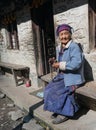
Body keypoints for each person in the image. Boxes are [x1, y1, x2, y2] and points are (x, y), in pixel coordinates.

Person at [43, 24, 85, 124]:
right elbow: (61, 60)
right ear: (59, 36)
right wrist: (54, 61)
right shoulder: (60, 47)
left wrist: (59, 64)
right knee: (48, 89)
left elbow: (76, 64)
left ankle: (66, 113)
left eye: (66, 33)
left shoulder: (74, 47)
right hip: (62, 76)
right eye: (61, 34)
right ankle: (58, 109)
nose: (63, 36)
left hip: (73, 77)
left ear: (70, 35)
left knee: (60, 91)